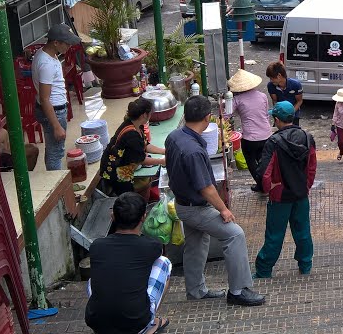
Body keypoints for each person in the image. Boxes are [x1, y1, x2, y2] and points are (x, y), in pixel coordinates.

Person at [165, 96, 265, 306]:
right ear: (207, 118)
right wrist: (223, 209)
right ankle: (238, 291)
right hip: (194, 208)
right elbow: (206, 188)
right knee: (235, 234)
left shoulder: (174, 136)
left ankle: (196, 290)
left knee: (196, 244)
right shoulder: (193, 150)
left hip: (182, 204)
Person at [85, 193, 172, 334]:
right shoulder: (152, 246)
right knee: (163, 262)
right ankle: (149, 325)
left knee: (93, 280)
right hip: (135, 321)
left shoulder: (97, 245)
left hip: (96, 321)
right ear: (144, 217)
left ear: (112, 216)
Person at [254, 101, 317, 278]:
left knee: (274, 235)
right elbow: (312, 166)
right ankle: (305, 265)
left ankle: (264, 270)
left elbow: (265, 172)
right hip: (301, 195)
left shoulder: (273, 142)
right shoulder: (307, 137)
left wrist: (269, 190)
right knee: (303, 232)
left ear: (276, 119)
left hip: (280, 197)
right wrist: (306, 186)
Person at [32, 23, 79, 170]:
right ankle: (58, 188)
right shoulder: (46, 64)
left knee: (53, 149)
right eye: (67, 43)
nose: (69, 46)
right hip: (54, 111)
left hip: (52, 108)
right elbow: (45, 98)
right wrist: (56, 126)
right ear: (56, 42)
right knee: (56, 152)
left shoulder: (43, 53)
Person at [98, 98, 166, 197]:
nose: (151, 115)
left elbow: (145, 145)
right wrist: (162, 161)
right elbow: (141, 160)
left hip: (123, 165)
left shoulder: (136, 124)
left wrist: (164, 151)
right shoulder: (132, 135)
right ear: (144, 115)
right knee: (127, 197)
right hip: (115, 170)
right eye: (150, 113)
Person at [229, 69, 272, 193]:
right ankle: (266, 183)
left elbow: (226, 113)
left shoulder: (238, 100)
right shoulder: (263, 96)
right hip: (266, 134)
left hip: (250, 138)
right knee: (263, 161)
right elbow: (265, 113)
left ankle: (260, 184)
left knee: (251, 162)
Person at [266, 62, 303, 126]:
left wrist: (290, 114)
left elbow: (299, 101)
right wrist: (277, 115)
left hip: (293, 115)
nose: (271, 80)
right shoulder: (271, 86)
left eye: (272, 78)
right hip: (279, 116)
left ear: (279, 76)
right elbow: (274, 101)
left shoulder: (296, 85)